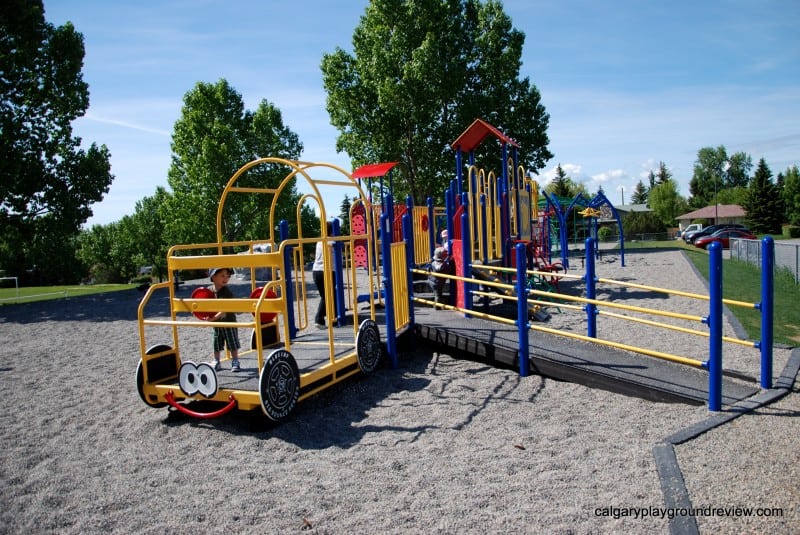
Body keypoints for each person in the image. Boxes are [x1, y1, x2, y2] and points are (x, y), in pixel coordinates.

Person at [205, 267, 241, 371]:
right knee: (216, 343)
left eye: (228, 276)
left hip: (229, 322)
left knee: (232, 343)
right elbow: (203, 303)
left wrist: (214, 317)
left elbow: (226, 308)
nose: (226, 278)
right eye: (222, 276)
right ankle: (216, 361)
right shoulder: (209, 291)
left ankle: (235, 360)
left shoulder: (226, 292)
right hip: (217, 324)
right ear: (213, 277)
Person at [312, 222, 336, 329]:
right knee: (328, 296)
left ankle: (332, 316)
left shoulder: (319, 241)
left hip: (316, 271)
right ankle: (319, 318)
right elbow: (336, 246)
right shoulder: (330, 241)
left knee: (327, 295)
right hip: (326, 271)